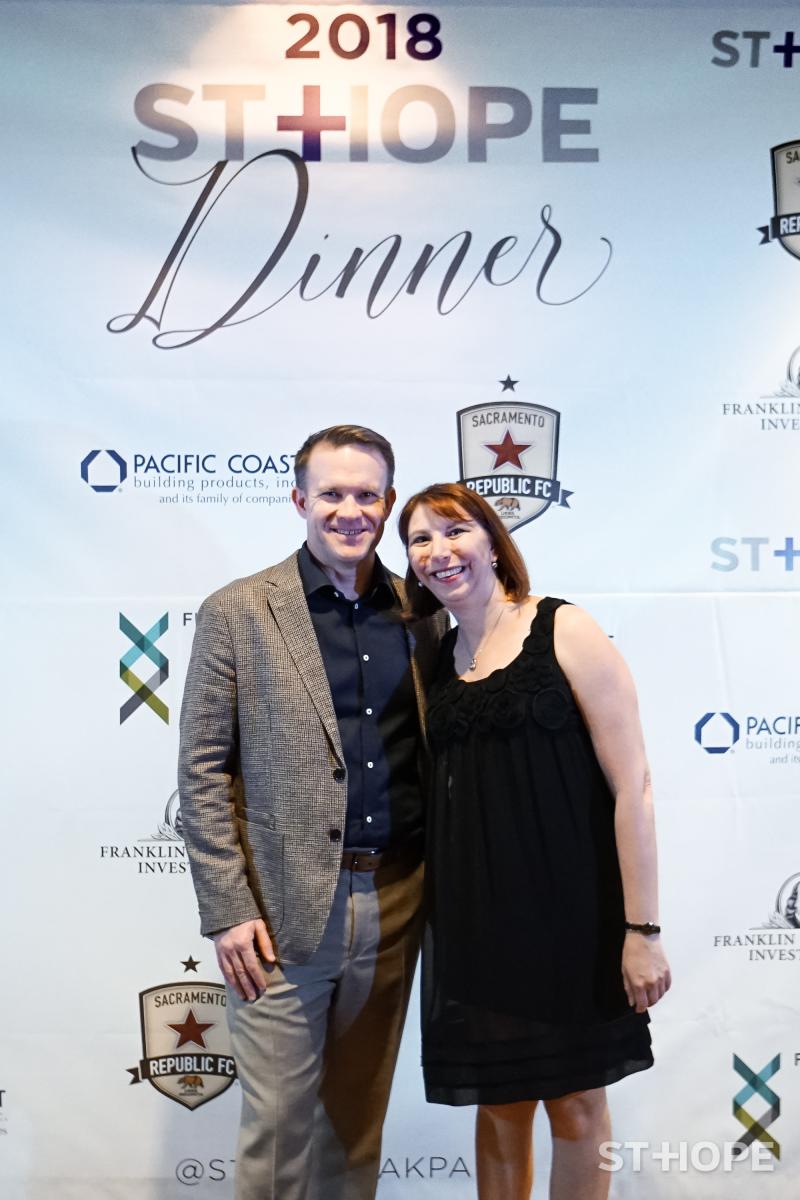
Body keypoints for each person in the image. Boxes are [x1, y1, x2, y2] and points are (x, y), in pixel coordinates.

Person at [178, 425, 446, 1200]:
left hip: (397, 902)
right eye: (332, 493)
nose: (349, 510)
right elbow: (201, 772)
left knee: (356, 1127)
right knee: (278, 1132)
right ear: (299, 499)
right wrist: (228, 910)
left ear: (388, 504)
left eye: (367, 495)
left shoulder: (424, 612)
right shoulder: (238, 611)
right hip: (278, 911)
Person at [398, 482, 671, 1200]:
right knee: (499, 1107)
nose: (438, 551)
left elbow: (634, 787)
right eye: (420, 539)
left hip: (573, 919)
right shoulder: (435, 657)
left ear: (493, 542)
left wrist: (642, 930)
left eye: (455, 530)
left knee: (576, 1105)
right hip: (475, 924)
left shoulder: (563, 627)